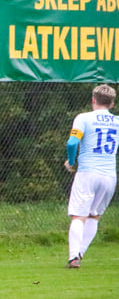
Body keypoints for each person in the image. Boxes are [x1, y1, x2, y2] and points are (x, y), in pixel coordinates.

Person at [64, 84, 118, 269]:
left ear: (93, 100)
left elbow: (72, 143)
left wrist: (71, 161)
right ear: (112, 103)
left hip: (88, 172)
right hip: (109, 176)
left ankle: (73, 257)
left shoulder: (84, 118)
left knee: (79, 216)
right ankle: (79, 254)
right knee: (94, 217)